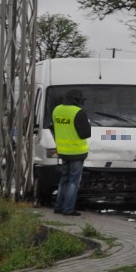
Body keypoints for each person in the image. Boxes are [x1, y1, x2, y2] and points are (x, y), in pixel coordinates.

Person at [52, 88, 91, 216]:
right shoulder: (78, 112)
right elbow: (85, 133)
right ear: (77, 100)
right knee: (74, 181)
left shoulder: (56, 110)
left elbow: (53, 128)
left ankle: (58, 207)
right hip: (77, 152)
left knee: (64, 179)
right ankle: (68, 209)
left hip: (63, 151)